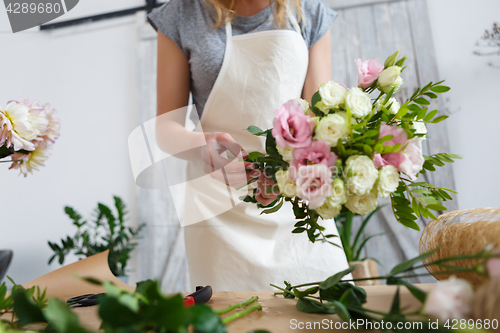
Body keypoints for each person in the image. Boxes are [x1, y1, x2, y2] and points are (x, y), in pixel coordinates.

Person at [147, 0, 350, 291]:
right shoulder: (181, 14)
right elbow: (165, 129)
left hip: (295, 204)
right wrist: (202, 147)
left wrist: (288, 176)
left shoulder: (308, 10)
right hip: (217, 208)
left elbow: (320, 122)